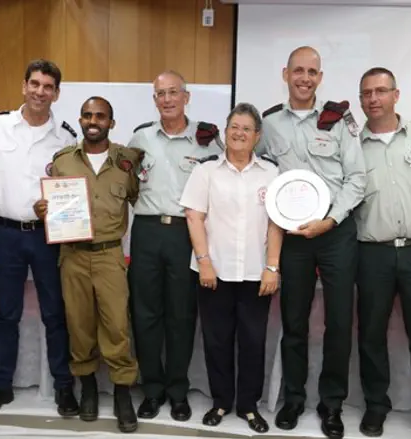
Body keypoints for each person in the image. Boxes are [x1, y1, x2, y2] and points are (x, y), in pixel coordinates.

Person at [257, 45, 366, 439]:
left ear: (320, 77)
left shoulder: (339, 121)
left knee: (338, 322)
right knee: (294, 321)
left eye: (312, 72)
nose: (305, 78)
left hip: (336, 233)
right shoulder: (268, 123)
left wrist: (331, 219)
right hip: (292, 239)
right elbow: (256, 170)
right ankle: (293, 398)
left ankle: (332, 404)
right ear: (285, 73)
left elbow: (357, 178)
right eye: (298, 71)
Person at [0, 60, 79, 420]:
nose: (40, 92)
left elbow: (71, 190)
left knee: (55, 314)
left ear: (56, 93)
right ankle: (0, 385)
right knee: (7, 314)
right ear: (24, 86)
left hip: (48, 237)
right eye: (34, 84)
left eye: (48, 86)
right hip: (5, 234)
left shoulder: (66, 137)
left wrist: (59, 206)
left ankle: (63, 385)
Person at [33, 96, 142, 433]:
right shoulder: (64, 161)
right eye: (87, 115)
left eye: (101, 116)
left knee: (116, 326)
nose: (93, 120)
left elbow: (138, 196)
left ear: (111, 122)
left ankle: (123, 393)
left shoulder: (128, 161)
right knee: (78, 325)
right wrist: (44, 211)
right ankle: (89, 390)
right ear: (80, 120)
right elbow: (52, 202)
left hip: (110, 255)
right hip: (73, 256)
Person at [354, 67, 411, 439]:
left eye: (380, 91)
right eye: (366, 93)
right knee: (371, 335)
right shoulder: (352, 145)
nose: (373, 99)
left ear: (396, 94)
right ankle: (376, 407)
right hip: (371, 254)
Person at [126, 70, 223, 421]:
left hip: (187, 233)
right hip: (148, 231)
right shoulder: (139, 139)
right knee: (146, 313)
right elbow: (125, 184)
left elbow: (221, 189)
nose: (166, 99)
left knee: (182, 315)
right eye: (160, 94)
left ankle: (178, 391)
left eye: (173, 93)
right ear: (154, 100)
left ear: (186, 96)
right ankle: (152, 390)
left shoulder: (207, 140)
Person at [180, 103, 282, 434]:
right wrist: (204, 261)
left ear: (257, 136)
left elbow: (275, 225)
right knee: (217, 341)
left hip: (256, 274)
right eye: (233, 127)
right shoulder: (206, 171)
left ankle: (249, 406)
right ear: (225, 132)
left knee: (253, 342)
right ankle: (221, 401)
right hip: (214, 273)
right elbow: (194, 216)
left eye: (246, 129)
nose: (238, 133)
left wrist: (272, 267)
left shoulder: (271, 173)